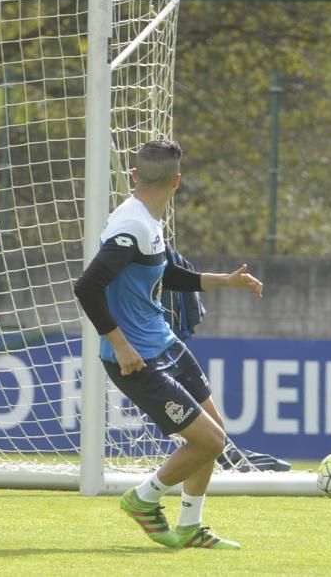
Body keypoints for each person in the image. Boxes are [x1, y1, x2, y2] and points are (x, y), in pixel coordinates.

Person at [73, 139, 263, 550]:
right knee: (209, 442)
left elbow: (167, 274)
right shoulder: (130, 225)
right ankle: (143, 499)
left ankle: (191, 526)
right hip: (137, 360)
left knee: (215, 433)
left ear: (134, 176)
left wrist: (223, 281)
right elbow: (87, 286)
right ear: (177, 180)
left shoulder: (146, 220)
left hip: (165, 344)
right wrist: (120, 344)